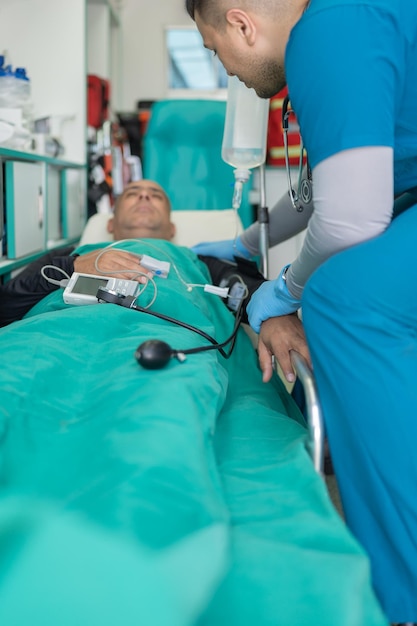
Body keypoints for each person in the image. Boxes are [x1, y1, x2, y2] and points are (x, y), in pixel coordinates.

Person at [186, 0, 417, 623]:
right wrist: (246, 241)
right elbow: (326, 185)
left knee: (349, 299)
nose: (228, 70)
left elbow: (350, 216)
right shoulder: (349, 29)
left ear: (240, 22)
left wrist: (287, 289)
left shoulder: (328, 30)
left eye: (215, 51)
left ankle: (406, 596)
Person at [0, 179, 266, 329]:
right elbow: (6, 305)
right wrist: (73, 266)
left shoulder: (197, 262)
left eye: (156, 196)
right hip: (51, 337)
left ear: (172, 228)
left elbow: (247, 292)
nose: (144, 198)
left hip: (169, 343)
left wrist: (274, 317)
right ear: (110, 224)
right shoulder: (69, 258)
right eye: (132, 194)